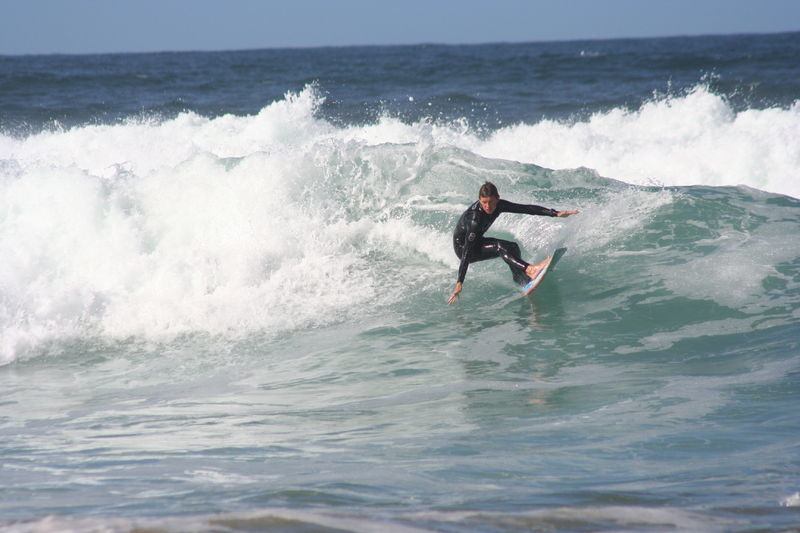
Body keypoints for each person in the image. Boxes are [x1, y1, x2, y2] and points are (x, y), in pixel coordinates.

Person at [448, 182, 579, 304]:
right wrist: (460, 282)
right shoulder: (474, 220)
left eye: (491, 202)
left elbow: (526, 208)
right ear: (479, 200)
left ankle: (520, 278)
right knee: (500, 247)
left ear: (497, 199)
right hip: (464, 248)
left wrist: (554, 213)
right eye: (484, 202)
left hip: (477, 241)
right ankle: (529, 269)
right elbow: (466, 253)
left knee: (512, 247)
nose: (488, 206)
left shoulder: (499, 205)